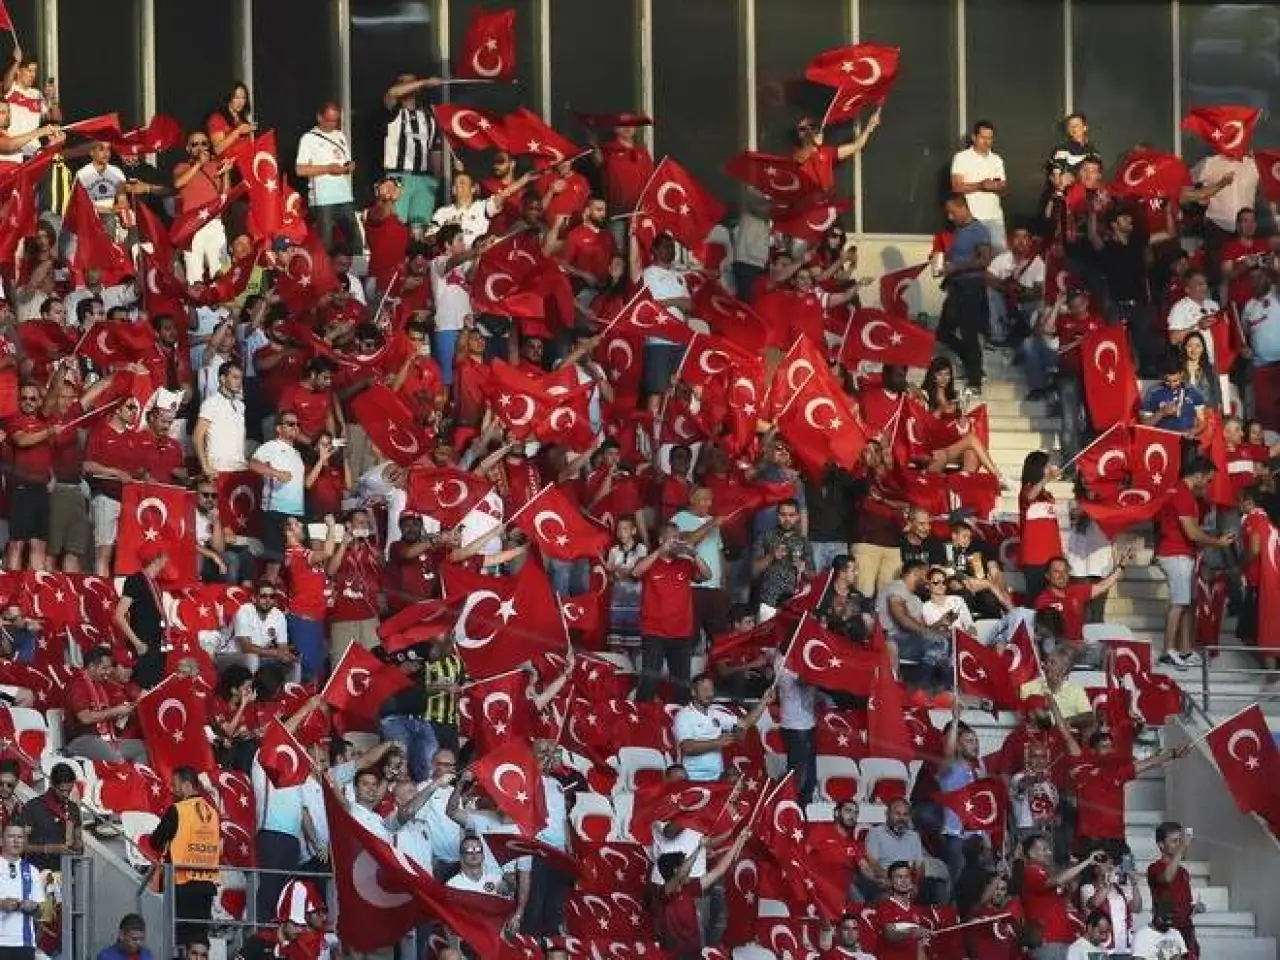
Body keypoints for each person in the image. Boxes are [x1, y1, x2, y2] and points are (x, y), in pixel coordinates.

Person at [1153, 456, 1234, 667]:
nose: (1208, 486)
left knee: (1188, 603)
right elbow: (1192, 532)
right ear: (1198, 475)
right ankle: (1167, 651)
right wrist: (1218, 542)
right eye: (1208, 480)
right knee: (1179, 602)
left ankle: (1186, 650)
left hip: (1182, 553)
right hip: (1175, 554)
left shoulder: (1184, 493)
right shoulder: (1182, 494)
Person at [633, 523, 712, 702]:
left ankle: (680, 723)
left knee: (682, 685)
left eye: (679, 538)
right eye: (672, 538)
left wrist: (694, 554)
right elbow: (636, 572)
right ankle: (641, 721)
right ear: (661, 540)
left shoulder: (685, 564)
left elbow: (707, 576)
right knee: (649, 682)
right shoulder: (649, 561)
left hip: (681, 633)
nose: (677, 542)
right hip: (654, 632)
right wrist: (660, 551)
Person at [148, 768, 220, 952]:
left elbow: (155, 841)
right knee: (200, 940)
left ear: (187, 785)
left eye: (175, 784)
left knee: (181, 941)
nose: (172, 789)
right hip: (207, 883)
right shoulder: (213, 812)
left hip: (183, 882)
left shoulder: (178, 810)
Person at [937, 193, 994, 392]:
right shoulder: (959, 231)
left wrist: (957, 268)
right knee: (943, 331)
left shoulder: (978, 230)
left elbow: (985, 260)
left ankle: (975, 380)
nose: (950, 217)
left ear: (963, 208)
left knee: (969, 333)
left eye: (952, 213)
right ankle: (973, 365)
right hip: (956, 287)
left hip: (972, 287)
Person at [63, 645, 147, 763]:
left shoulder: (99, 685)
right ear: (91, 666)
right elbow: (85, 718)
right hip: (82, 741)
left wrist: (125, 712)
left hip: (104, 740)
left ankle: (140, 781)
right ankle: (125, 780)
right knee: (118, 760)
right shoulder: (77, 685)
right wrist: (116, 711)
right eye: (104, 668)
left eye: (109, 668)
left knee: (142, 747)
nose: (108, 672)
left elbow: (108, 716)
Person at [296, 101, 360, 253]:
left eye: (335, 120)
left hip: (344, 196)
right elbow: (300, 170)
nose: (332, 124)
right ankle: (324, 274)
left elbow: (344, 161)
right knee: (326, 243)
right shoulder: (308, 138)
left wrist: (349, 166)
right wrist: (327, 168)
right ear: (319, 117)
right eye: (329, 120)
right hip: (323, 200)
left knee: (355, 239)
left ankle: (355, 273)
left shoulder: (340, 136)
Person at [382, 74, 443, 228]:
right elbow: (392, 93)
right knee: (396, 225)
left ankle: (418, 252)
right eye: (406, 83)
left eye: (412, 82)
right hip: (399, 176)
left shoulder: (429, 118)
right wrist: (424, 82)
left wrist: (436, 181)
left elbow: (435, 152)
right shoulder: (394, 111)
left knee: (420, 227)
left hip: (423, 178)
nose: (411, 86)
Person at [1146, 822, 1203, 959]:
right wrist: (1182, 848)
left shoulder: (1183, 872)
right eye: (1174, 841)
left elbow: (1182, 901)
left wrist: (1195, 908)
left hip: (1187, 930)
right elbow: (1167, 877)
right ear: (1161, 845)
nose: (1178, 844)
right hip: (1166, 930)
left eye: (1180, 841)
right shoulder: (1154, 868)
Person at [18, 763, 83, 872]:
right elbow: (20, 845)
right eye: (62, 790)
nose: (66, 795)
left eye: (69, 790)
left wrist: (77, 848)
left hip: (66, 873)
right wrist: (48, 849)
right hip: (37, 873)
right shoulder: (33, 807)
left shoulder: (73, 808)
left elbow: (79, 843)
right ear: (52, 784)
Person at [0, 823, 45, 960]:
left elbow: (41, 911)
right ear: (1, 841)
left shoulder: (32, 870)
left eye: (20, 837)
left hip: (24, 943)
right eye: (11, 836)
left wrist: (34, 906)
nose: (16, 841)